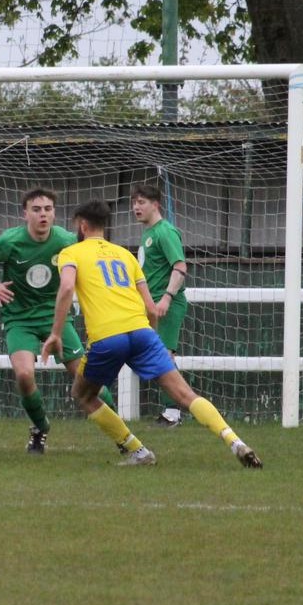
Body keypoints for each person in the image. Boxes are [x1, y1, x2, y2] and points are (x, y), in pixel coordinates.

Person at [43, 199, 262, 468]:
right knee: (185, 395)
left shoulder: (71, 253)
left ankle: (137, 450)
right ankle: (235, 441)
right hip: (143, 332)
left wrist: (55, 333)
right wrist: (153, 340)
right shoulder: (125, 255)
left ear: (82, 225)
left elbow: (66, 289)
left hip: (108, 337)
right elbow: (150, 307)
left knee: (83, 394)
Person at [0, 188, 115, 455]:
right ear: (24, 213)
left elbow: (89, 259)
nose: (43, 214)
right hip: (20, 319)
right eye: (37, 209)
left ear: (54, 214)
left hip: (56, 320)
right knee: (25, 375)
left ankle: (120, 430)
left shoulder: (66, 240)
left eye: (48, 209)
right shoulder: (10, 241)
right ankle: (40, 429)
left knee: (87, 377)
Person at [132, 182, 190, 427]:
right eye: (134, 203)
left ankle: (174, 412)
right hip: (151, 305)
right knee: (155, 356)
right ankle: (175, 408)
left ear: (155, 205)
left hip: (166, 305)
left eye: (141, 202)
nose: (136, 207)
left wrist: (166, 297)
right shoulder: (148, 233)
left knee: (165, 357)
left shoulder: (165, 232)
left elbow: (180, 267)